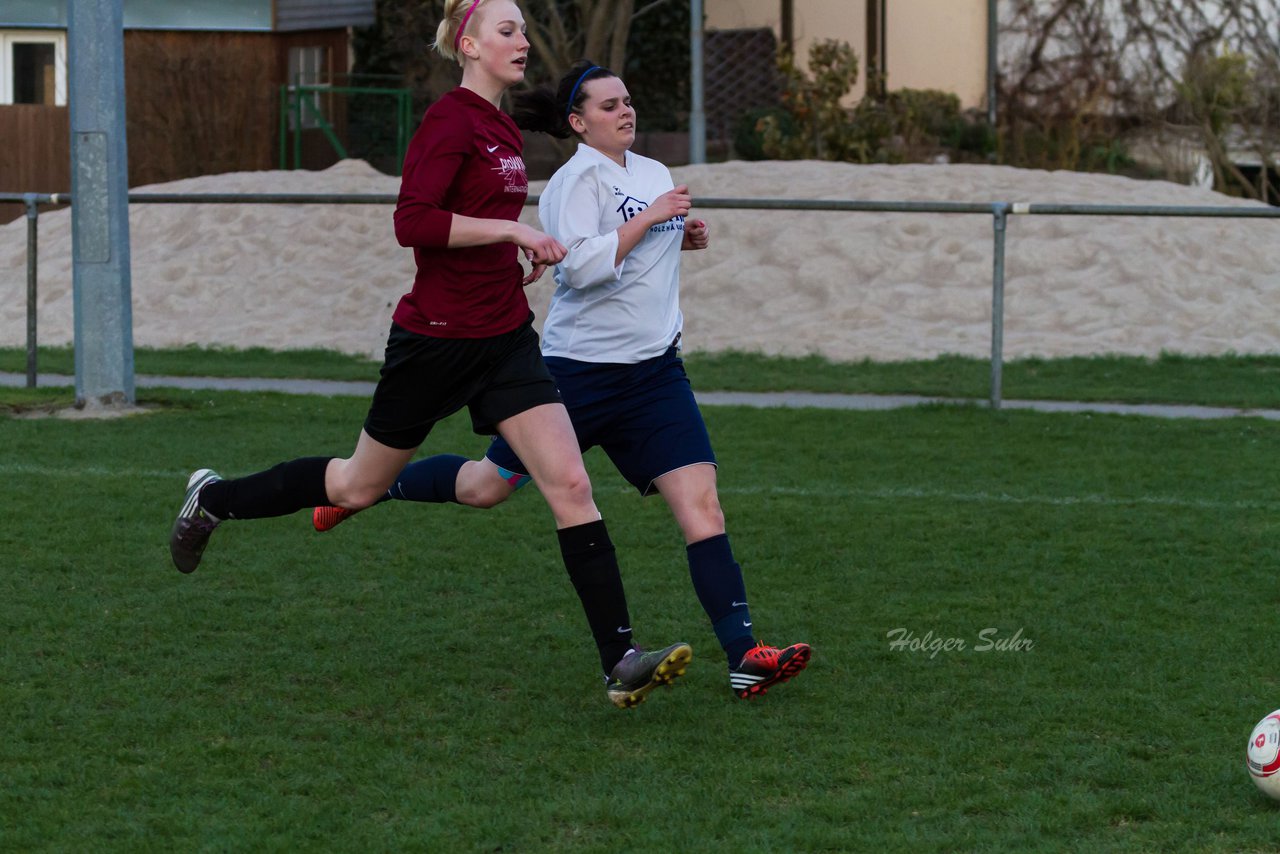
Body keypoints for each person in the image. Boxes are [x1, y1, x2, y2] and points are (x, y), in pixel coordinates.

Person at [168, 1, 692, 711]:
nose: (522, 42)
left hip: (505, 337)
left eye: (524, 31)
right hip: (436, 340)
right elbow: (412, 223)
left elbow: (475, 231)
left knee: (569, 484)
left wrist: (515, 254)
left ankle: (620, 660)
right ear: (469, 44)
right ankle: (214, 499)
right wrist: (512, 229)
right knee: (354, 486)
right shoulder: (449, 120)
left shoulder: (503, 127)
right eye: (507, 30)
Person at [311, 60, 812, 701]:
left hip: (656, 374)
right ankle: (372, 489)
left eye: (627, 100)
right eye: (608, 106)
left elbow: (635, 249)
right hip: (576, 376)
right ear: (577, 123)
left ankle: (745, 655)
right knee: (485, 486)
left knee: (704, 506)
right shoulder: (572, 182)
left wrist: (676, 234)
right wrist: (649, 219)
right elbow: (578, 268)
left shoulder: (654, 174)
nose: (625, 111)